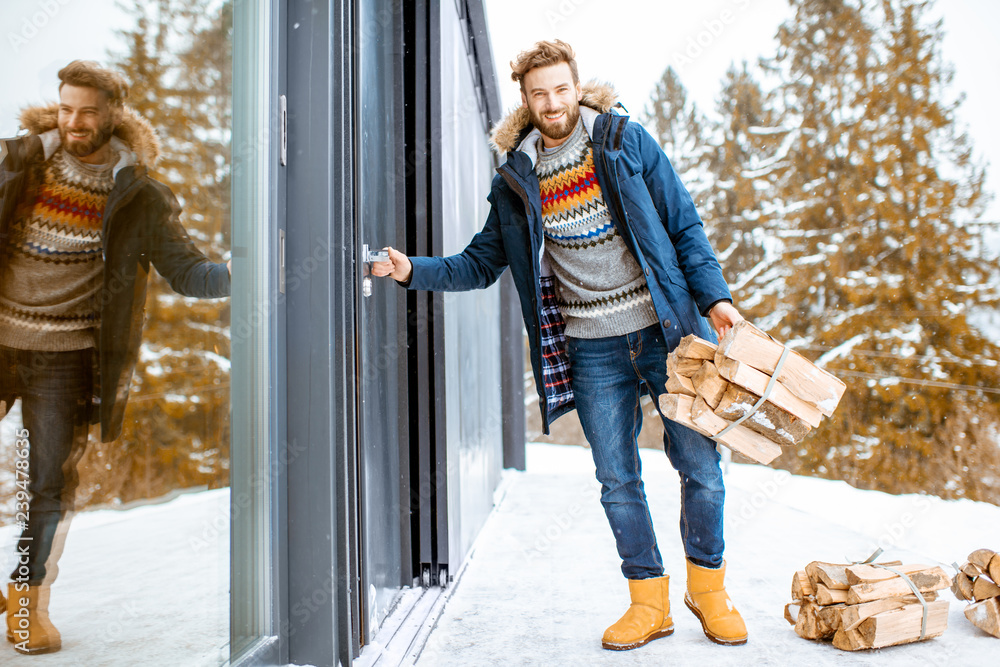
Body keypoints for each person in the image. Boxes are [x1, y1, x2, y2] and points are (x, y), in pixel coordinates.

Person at [372, 40, 748, 650]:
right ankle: (648, 601)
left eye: (561, 89)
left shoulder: (624, 142)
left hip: (667, 332)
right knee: (616, 479)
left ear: (579, 87)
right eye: (539, 93)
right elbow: (479, 262)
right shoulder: (516, 178)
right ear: (525, 100)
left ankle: (709, 592)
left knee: (700, 466)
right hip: (591, 348)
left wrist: (716, 299)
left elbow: (684, 223)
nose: (553, 102)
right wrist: (410, 269)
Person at [0, 60, 231, 655]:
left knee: (49, 485)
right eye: (67, 108)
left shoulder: (139, 194)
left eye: (89, 111)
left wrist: (244, 272)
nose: (75, 121)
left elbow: (188, 271)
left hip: (66, 358)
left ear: (113, 115)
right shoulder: (18, 162)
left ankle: (28, 605)